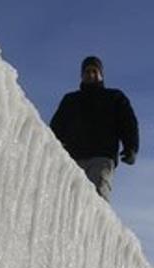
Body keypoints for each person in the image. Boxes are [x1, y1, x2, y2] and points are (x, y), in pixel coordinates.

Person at [49, 56, 139, 201]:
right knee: (69, 199)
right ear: (81, 75)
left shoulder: (114, 97)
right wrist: (52, 146)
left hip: (102, 156)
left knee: (96, 198)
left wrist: (131, 147)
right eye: (87, 71)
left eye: (94, 71)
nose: (90, 74)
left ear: (101, 75)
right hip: (74, 157)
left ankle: (95, 223)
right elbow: (57, 126)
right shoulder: (71, 100)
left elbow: (128, 123)